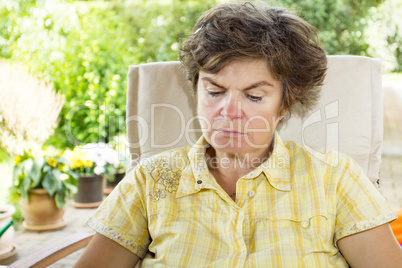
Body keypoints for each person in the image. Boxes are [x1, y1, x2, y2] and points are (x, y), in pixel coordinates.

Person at [75, 2, 402, 267]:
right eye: (214, 91)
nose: (229, 112)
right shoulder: (150, 181)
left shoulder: (335, 177)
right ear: (197, 88)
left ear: (285, 103)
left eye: (254, 96)